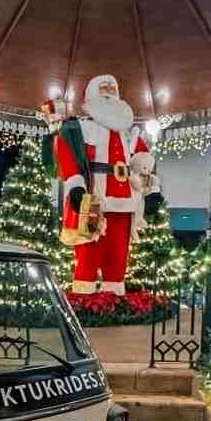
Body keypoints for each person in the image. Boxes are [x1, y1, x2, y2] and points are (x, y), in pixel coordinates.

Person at [49, 74, 161, 295]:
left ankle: (114, 300)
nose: (109, 94)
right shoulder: (79, 129)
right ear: (91, 96)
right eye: (104, 90)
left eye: (113, 90)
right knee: (88, 256)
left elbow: (143, 163)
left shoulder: (129, 134)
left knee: (118, 258)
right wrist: (76, 185)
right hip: (94, 201)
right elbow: (65, 151)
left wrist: (152, 190)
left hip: (125, 204)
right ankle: (85, 300)